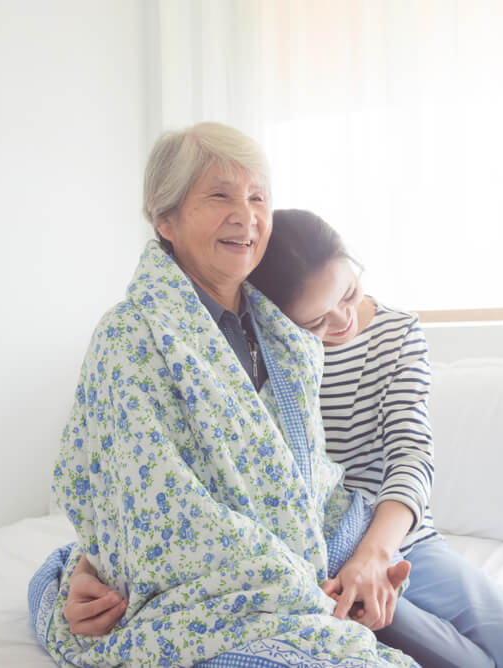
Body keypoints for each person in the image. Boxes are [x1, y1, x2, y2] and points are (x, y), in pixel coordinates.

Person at [59, 207, 503, 668]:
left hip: (394, 538)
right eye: (317, 320)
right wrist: (93, 565)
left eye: (348, 293)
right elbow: (173, 476)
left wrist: (372, 556)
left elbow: (411, 457)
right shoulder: (268, 353)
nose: (343, 320)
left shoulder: (397, 333)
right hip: (308, 557)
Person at [29, 122, 416, 667]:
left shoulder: (283, 325)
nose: (246, 215)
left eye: (258, 197)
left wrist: (360, 560)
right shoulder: (129, 337)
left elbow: (307, 473)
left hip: (330, 551)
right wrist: (296, 585)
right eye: (219, 195)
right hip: (240, 585)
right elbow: (150, 506)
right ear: (165, 218)